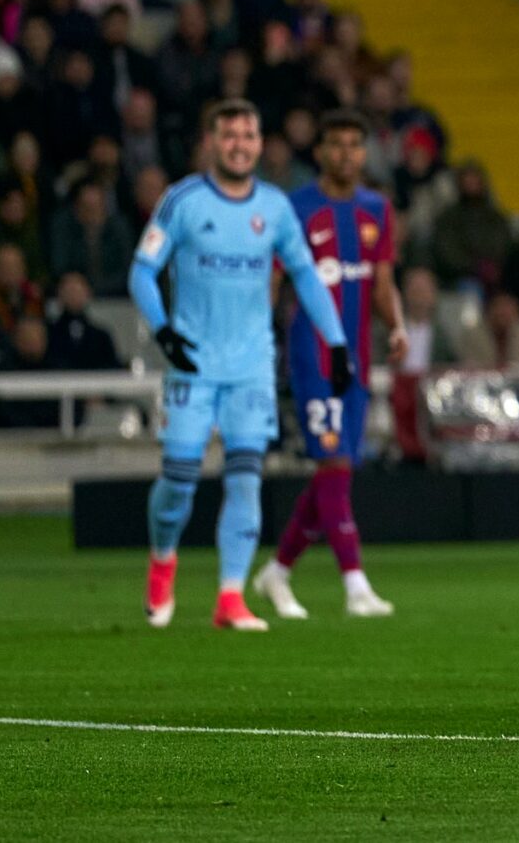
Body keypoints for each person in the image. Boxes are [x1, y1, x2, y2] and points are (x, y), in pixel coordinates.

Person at [129, 98, 355, 632]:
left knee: (246, 478)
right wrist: (163, 332)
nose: (239, 144)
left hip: (252, 365)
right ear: (211, 142)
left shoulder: (274, 208)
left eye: (248, 136)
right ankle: (163, 559)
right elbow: (143, 271)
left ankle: (230, 596)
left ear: (259, 143)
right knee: (179, 480)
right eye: (229, 135)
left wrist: (338, 343)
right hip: (192, 363)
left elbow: (304, 274)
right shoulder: (182, 200)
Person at [254, 109, 408, 621]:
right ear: (319, 151)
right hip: (310, 354)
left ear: (365, 153)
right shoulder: (294, 208)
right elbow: (274, 281)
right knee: (334, 465)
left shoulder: (377, 210)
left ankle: (277, 572)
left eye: (354, 145)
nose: (346, 154)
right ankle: (355, 584)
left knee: (333, 473)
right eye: (335, 144)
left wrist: (400, 326)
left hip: (357, 360)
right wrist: (259, 334)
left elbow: (382, 284)